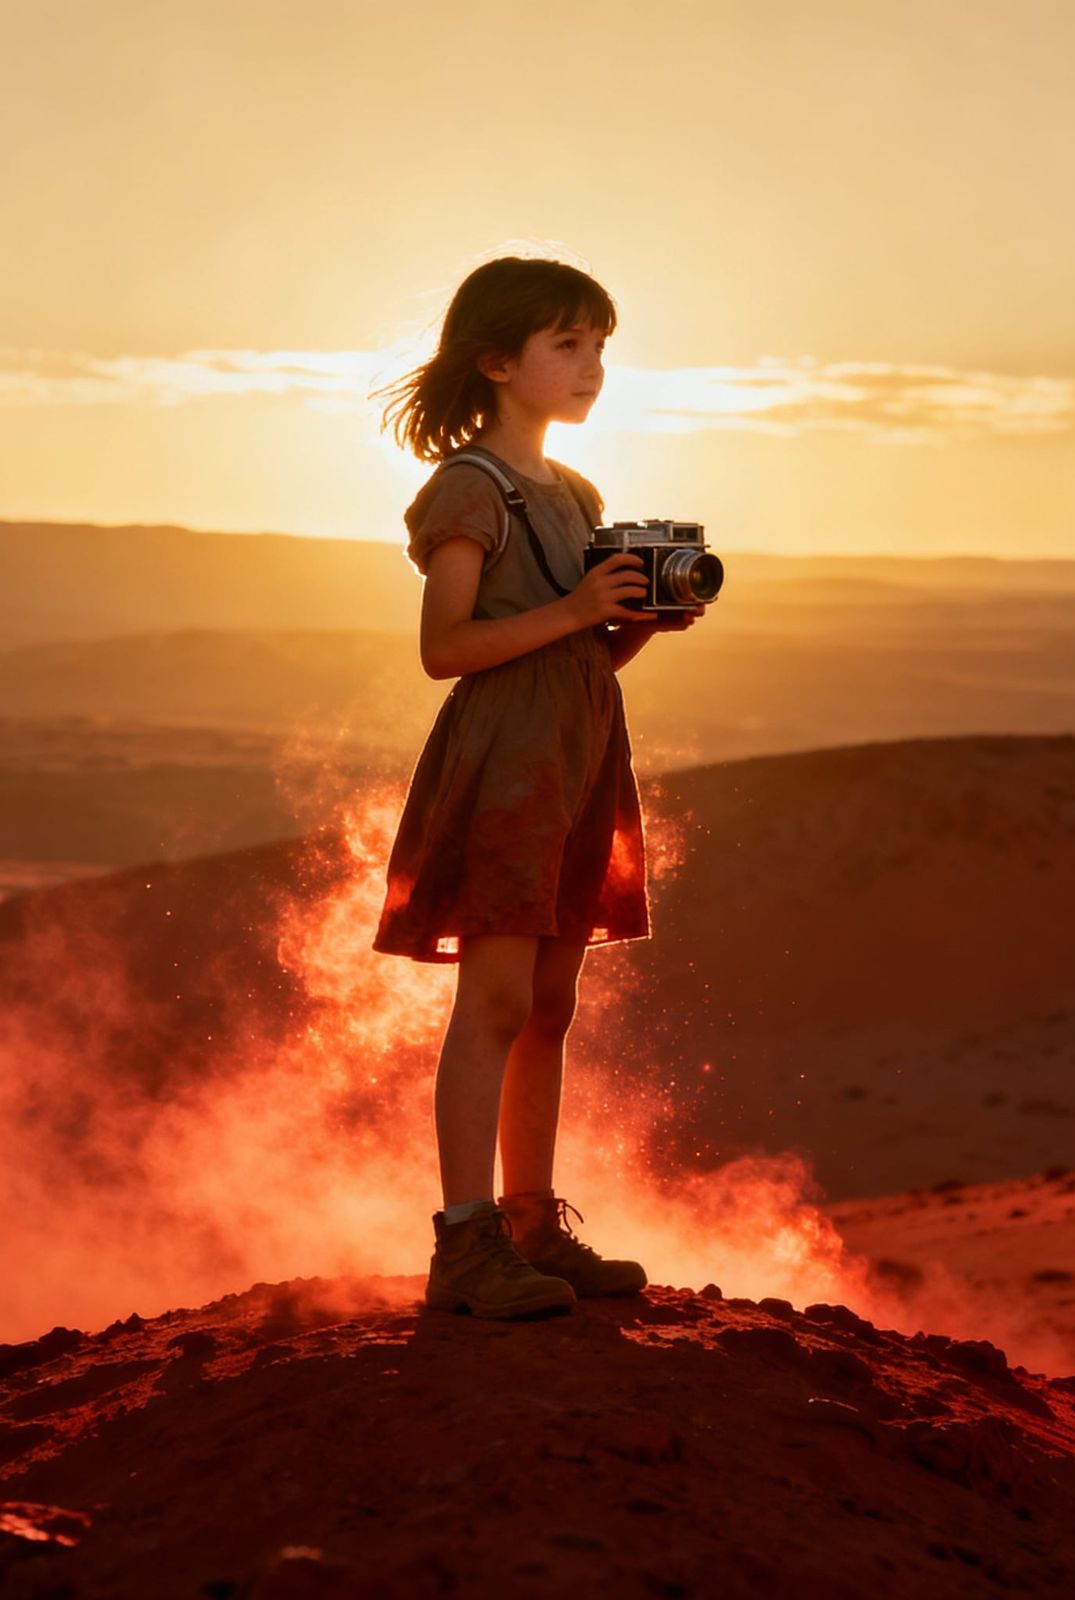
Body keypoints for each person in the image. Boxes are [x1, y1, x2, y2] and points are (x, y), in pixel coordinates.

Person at [369, 255, 705, 1319]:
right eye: (568, 343)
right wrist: (574, 611)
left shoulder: (577, 494)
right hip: (506, 761)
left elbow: (580, 662)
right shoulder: (472, 487)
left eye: (600, 344)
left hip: (575, 750)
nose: (592, 365)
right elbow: (445, 648)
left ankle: (528, 1222)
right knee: (499, 998)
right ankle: (464, 1242)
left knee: (550, 1005)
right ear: (496, 360)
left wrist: (634, 622)